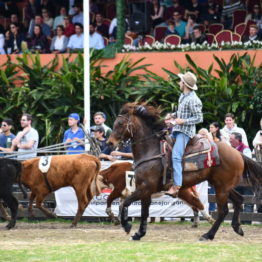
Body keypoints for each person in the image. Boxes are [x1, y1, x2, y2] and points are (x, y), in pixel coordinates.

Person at [166, 71, 203, 196]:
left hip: (186, 132)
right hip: (177, 130)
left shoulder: (193, 100)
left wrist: (183, 121)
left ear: (185, 84)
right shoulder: (183, 96)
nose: (179, 83)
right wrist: (173, 115)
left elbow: (199, 118)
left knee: (176, 156)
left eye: (180, 81)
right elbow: (181, 112)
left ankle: (177, 185)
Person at [229, 132, 254, 221]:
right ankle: (238, 219)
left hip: (246, 179)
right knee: (236, 200)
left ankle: (247, 220)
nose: (229, 140)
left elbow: (247, 162)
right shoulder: (229, 149)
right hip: (236, 179)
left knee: (248, 199)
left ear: (237, 140)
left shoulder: (245, 149)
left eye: (231, 139)